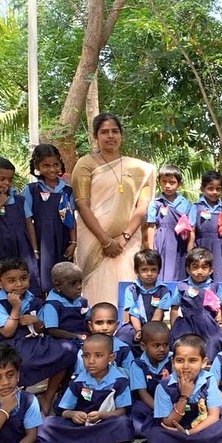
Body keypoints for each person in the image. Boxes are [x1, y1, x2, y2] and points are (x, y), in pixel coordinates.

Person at [72, 113, 155, 306]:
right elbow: (82, 204)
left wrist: (123, 237)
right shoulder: (85, 164)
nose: (110, 136)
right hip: (94, 239)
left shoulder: (139, 168)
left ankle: (127, 329)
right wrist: (105, 240)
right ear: (95, 136)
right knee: (95, 288)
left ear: (121, 135)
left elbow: (142, 206)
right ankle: (97, 329)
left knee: (125, 286)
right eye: (104, 132)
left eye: (114, 131)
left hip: (126, 240)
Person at [135, 334, 222, 443]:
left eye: (193, 360)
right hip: (174, 429)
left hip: (201, 426)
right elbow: (168, 423)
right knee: (158, 437)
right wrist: (184, 396)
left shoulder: (208, 380)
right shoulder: (164, 386)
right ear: (172, 362)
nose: (186, 366)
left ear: (204, 362)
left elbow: (213, 416)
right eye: (180, 360)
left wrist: (190, 433)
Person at [0, 258, 77, 415]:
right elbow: (7, 332)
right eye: (11, 280)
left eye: (23, 278)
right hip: (7, 347)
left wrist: (37, 321)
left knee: (68, 350)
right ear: (0, 283)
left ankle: (48, 396)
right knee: (21, 363)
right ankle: (17, 404)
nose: (19, 284)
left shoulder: (33, 299)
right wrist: (15, 308)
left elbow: (42, 329)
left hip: (33, 342)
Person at [39, 334, 134, 443]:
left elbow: (122, 411)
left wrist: (102, 415)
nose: (91, 361)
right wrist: (73, 414)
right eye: (86, 356)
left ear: (111, 357)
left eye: (98, 356)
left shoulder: (119, 381)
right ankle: (103, 440)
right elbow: (64, 410)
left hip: (105, 421)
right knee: (46, 424)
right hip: (80, 424)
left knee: (123, 423)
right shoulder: (78, 381)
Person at [0, 157, 41, 296]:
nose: (6, 183)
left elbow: (29, 225)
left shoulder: (20, 200)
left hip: (22, 248)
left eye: (10, 180)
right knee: (4, 280)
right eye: (2, 179)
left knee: (26, 279)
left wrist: (35, 250)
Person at [25, 144, 76, 295]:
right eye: (46, 165)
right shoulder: (31, 190)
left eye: (55, 164)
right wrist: (35, 249)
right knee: (45, 278)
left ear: (60, 163)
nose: (52, 169)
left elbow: (71, 218)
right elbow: (28, 222)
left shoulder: (67, 190)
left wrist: (74, 242)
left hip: (63, 239)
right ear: (37, 166)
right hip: (42, 241)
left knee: (66, 276)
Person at [169, 248, 222, 358]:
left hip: (209, 325)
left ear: (211, 270)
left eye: (204, 267)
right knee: (182, 344)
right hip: (187, 324)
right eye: (195, 267)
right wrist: (174, 328)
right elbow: (174, 309)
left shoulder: (214, 286)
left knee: (214, 341)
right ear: (188, 269)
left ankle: (209, 367)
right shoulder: (182, 287)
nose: (199, 271)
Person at [115, 249, 172, 349]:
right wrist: (138, 330)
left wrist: (148, 332)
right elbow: (132, 313)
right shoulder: (131, 290)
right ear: (137, 271)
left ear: (159, 270)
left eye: (153, 269)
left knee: (164, 338)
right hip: (134, 325)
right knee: (123, 336)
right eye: (144, 270)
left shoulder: (163, 291)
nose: (149, 273)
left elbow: (159, 313)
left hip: (155, 326)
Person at [146, 164, 192, 282]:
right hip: (161, 241)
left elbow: (190, 228)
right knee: (160, 270)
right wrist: (151, 248)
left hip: (179, 243)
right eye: (164, 181)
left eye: (172, 182)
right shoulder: (155, 203)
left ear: (179, 183)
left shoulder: (186, 204)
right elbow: (151, 226)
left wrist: (189, 249)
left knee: (178, 271)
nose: (167, 185)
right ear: (159, 182)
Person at [189, 170, 222, 282]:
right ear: (202, 189)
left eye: (218, 189)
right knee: (201, 277)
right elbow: (192, 231)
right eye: (210, 188)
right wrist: (190, 251)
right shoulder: (196, 207)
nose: (214, 192)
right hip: (201, 247)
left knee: (220, 277)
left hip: (220, 249)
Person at [129, 321, 172, 436]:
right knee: (137, 409)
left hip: (171, 403)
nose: (162, 349)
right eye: (156, 346)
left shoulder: (173, 359)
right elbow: (142, 393)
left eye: (165, 345)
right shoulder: (138, 364)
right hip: (149, 404)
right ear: (143, 346)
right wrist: (159, 410)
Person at [40, 262, 88, 343]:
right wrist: (75, 336)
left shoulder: (81, 301)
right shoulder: (52, 305)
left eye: (80, 282)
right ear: (58, 285)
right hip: (63, 340)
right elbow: (52, 331)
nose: (79, 286)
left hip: (83, 336)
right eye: (73, 283)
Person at [86, 302, 133, 373]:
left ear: (117, 325)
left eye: (110, 322)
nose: (105, 327)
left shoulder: (123, 349)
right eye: (99, 323)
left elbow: (131, 374)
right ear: (90, 326)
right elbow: (80, 374)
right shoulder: (85, 348)